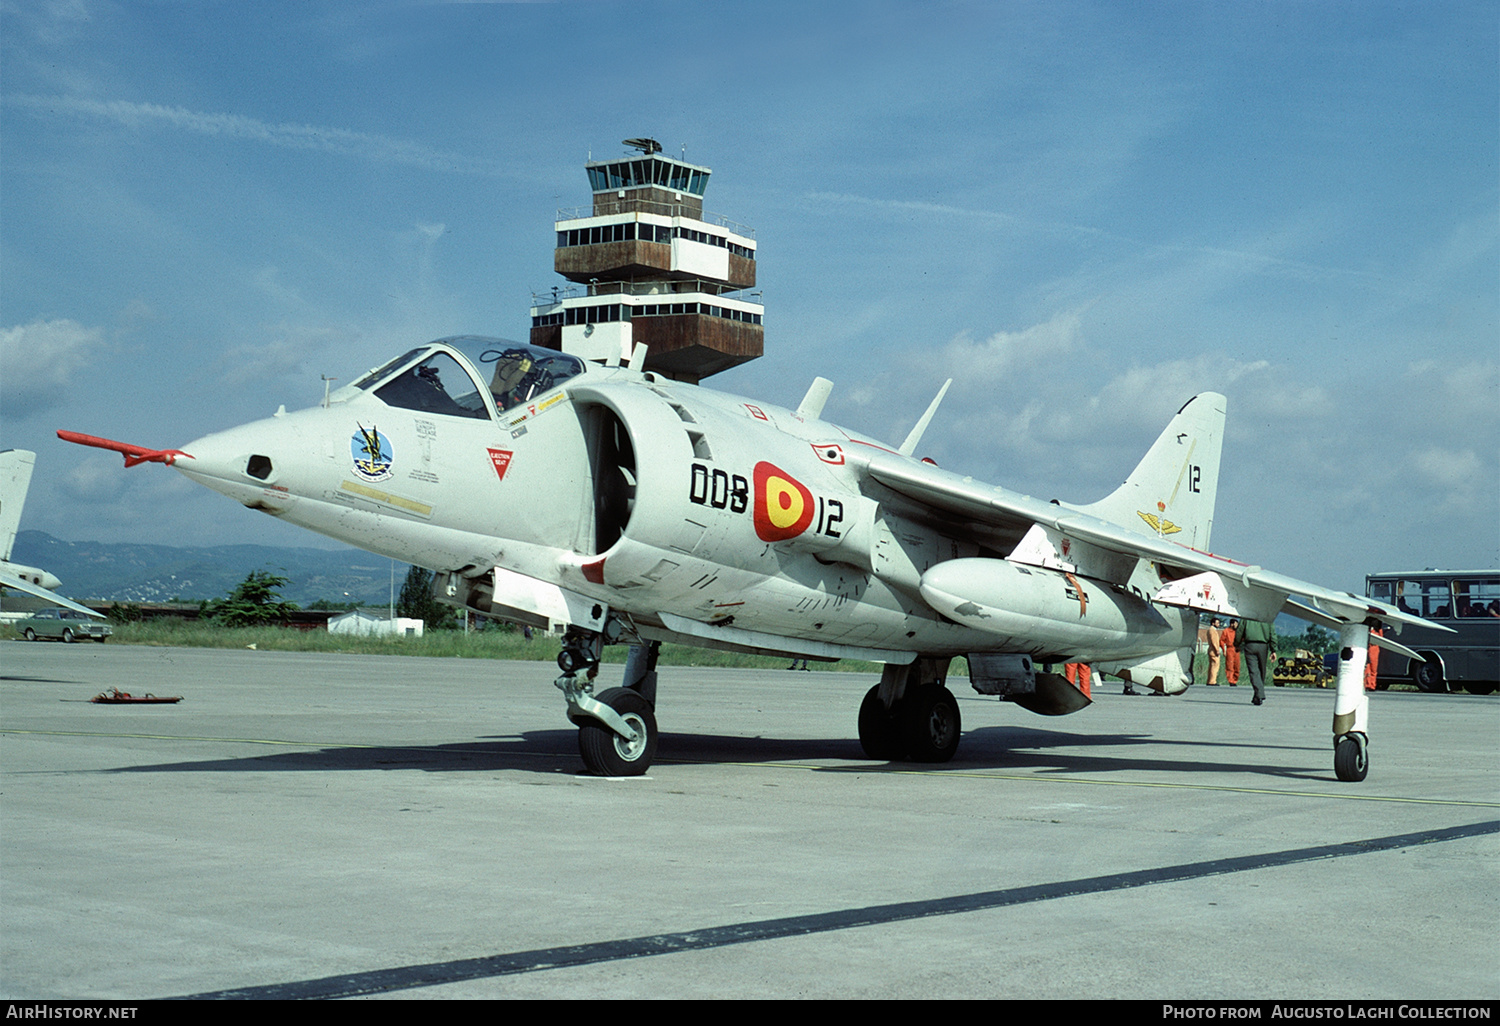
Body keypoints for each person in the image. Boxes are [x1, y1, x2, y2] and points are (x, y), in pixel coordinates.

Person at [1237, 618, 1275, 706]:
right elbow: (1272, 634)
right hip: (1263, 646)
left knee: (1253, 671)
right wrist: (1273, 650)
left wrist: (1237, 644)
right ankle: (1258, 695)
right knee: (1262, 671)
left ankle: (1258, 694)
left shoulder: (1246, 617)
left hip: (1250, 645)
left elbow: (1239, 631)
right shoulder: (1267, 617)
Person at [1205, 618, 1224, 685]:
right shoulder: (1212, 630)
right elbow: (1214, 641)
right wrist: (1217, 650)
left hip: (1211, 650)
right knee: (1215, 666)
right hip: (1213, 650)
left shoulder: (1211, 630)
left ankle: (1210, 680)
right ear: (1213, 623)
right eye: (1217, 623)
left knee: (1212, 666)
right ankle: (1212, 681)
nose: (1218, 624)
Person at [1223, 619, 1241, 686]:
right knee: (1230, 665)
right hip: (1230, 649)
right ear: (1231, 624)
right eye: (1235, 624)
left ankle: (1235, 680)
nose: (1236, 625)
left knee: (1237, 665)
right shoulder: (1226, 631)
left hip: (1237, 649)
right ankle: (1231, 680)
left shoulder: (1238, 632)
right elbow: (1222, 641)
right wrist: (1224, 650)